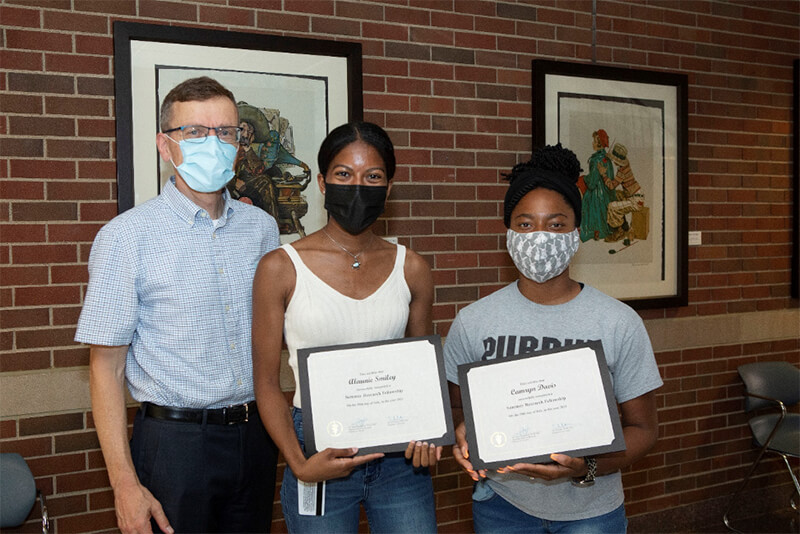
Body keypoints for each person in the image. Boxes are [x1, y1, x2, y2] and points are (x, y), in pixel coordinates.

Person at [75, 76, 281, 534]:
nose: (214, 142)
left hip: (255, 435)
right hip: (174, 445)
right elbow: (104, 368)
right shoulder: (126, 237)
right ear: (164, 145)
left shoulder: (262, 229)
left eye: (226, 132)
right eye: (194, 131)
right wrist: (123, 484)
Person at [444, 144, 662, 533]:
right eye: (525, 224)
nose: (539, 236)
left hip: (591, 510)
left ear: (576, 233)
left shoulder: (617, 322)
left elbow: (644, 430)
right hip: (502, 505)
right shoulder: (473, 321)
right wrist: (463, 435)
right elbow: (459, 411)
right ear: (508, 233)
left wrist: (586, 466)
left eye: (556, 224)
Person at [252, 121, 439, 533]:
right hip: (317, 450)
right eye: (343, 174)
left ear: (388, 188)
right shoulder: (280, 267)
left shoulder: (412, 268)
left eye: (373, 176)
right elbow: (266, 381)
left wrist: (429, 436)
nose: (359, 185)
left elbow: (423, 371)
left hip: (400, 458)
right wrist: (299, 464)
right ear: (321, 182)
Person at [604, 143, 646, 243]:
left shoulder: (622, 171)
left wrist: (603, 175)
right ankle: (625, 225)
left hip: (636, 200)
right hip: (634, 195)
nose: (614, 162)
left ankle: (619, 231)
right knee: (616, 194)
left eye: (615, 160)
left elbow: (611, 186)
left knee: (612, 207)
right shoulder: (626, 164)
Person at [580, 129, 616, 242]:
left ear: (598, 143)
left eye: (594, 141)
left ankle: (595, 232)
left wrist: (584, 178)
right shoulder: (607, 159)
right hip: (607, 194)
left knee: (585, 201)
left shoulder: (596, 160)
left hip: (597, 195)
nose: (592, 143)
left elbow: (591, 183)